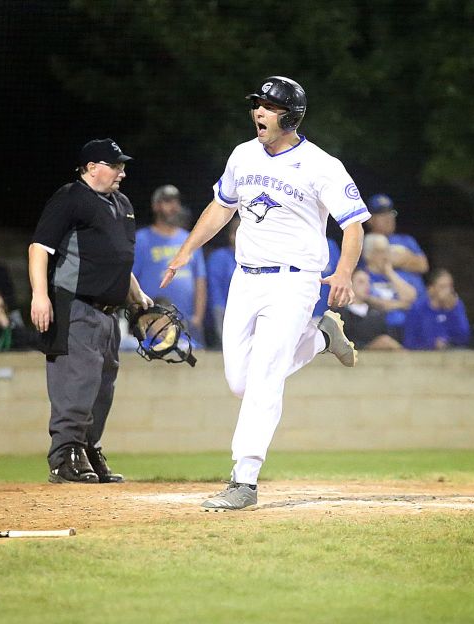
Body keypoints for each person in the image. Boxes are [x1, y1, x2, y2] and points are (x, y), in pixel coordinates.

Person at [161, 75, 368, 511]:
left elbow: (353, 225)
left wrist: (345, 271)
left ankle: (244, 479)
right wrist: (185, 251)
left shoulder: (320, 164)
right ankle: (321, 338)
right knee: (240, 381)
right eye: (256, 103)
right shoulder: (242, 155)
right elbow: (222, 206)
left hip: (294, 281)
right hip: (246, 278)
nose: (258, 111)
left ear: (289, 116)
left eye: (268, 106)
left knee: (264, 381)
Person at [28, 138, 153, 484]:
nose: (122, 173)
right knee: (77, 381)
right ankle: (64, 454)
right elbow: (39, 247)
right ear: (92, 168)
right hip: (75, 305)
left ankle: (87, 447)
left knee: (102, 385)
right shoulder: (70, 197)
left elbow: (116, 256)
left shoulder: (122, 203)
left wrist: (137, 294)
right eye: (116, 166)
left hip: (110, 311)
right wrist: (40, 296)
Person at [133, 184, 207, 345]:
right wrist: (136, 314)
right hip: (153, 321)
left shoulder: (190, 239)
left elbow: (200, 280)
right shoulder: (141, 239)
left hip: (186, 320)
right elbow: (131, 278)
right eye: (167, 201)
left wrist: (198, 317)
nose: (174, 207)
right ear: (156, 206)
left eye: (176, 202)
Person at [364, 193, 428, 300]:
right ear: (369, 219)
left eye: (390, 213)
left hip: (418, 303)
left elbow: (423, 265)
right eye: (382, 214)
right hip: (386, 304)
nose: (388, 218)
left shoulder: (406, 240)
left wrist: (402, 259)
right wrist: (406, 258)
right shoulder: (364, 242)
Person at [360, 232, 418, 342]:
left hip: (404, 329)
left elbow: (411, 297)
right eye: (380, 251)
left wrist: (389, 272)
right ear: (368, 254)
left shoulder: (395, 275)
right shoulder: (363, 276)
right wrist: (403, 304)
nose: (385, 256)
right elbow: (374, 302)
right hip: (378, 330)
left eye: (387, 251)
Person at [403, 268, 471, 350]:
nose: (447, 291)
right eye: (442, 287)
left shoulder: (456, 305)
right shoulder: (418, 309)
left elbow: (464, 337)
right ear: (431, 289)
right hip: (424, 354)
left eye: (450, 286)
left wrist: (452, 311)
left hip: (452, 352)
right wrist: (433, 344)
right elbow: (410, 342)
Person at [339, 268, 402, 350]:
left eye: (368, 282)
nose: (367, 285)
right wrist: (370, 347)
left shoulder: (377, 313)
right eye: (361, 282)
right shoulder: (340, 315)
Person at [205, 214, 240, 348]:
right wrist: (223, 331)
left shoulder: (261, 259)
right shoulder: (219, 258)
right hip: (224, 316)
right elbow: (216, 296)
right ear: (231, 236)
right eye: (235, 233)